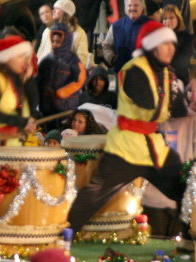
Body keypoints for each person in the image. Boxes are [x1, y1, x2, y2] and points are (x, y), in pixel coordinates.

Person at [67, 21, 187, 234]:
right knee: (95, 193)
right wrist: (170, 90)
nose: (172, 48)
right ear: (153, 46)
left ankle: (190, 234)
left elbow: (179, 111)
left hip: (153, 147)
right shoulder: (134, 70)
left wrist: (176, 92)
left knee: (185, 188)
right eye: (166, 43)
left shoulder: (166, 72)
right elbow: (148, 104)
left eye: (172, 44)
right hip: (127, 146)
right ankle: (65, 234)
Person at [37, 23, 86, 130]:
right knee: (49, 136)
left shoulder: (73, 60)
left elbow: (79, 81)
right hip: (47, 108)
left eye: (58, 42)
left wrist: (61, 93)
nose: (55, 44)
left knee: (64, 135)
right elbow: (39, 82)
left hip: (66, 108)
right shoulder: (47, 60)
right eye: (53, 41)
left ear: (66, 41)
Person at [102, 0, 150, 73]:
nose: (132, 8)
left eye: (136, 5)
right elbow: (106, 46)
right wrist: (113, 59)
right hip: (122, 73)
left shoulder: (151, 25)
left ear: (142, 7)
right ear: (125, 7)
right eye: (129, 5)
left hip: (145, 74)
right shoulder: (116, 26)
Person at [161, 4, 193, 86]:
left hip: (179, 78)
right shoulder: (159, 37)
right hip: (161, 77)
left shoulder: (186, 37)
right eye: (164, 19)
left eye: (171, 18)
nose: (167, 21)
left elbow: (183, 62)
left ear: (178, 19)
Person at [53, 0, 89, 67]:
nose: (53, 11)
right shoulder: (49, 29)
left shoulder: (79, 33)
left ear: (65, 12)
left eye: (57, 8)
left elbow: (81, 59)